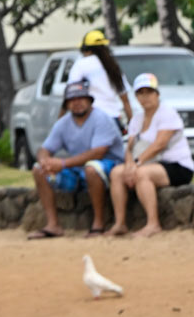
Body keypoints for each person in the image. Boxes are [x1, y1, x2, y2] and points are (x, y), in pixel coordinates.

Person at [29, 83, 123, 238]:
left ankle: (98, 224)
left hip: (108, 168)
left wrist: (63, 163)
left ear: (90, 101)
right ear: (66, 104)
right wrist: (45, 161)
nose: (77, 102)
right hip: (78, 171)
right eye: (72, 99)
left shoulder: (101, 118)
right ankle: (53, 225)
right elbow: (44, 148)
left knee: (92, 168)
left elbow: (98, 153)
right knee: (38, 169)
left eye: (81, 98)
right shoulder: (63, 123)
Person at [109, 72, 194, 237]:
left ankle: (153, 223)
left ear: (157, 94)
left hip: (176, 165)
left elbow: (159, 144)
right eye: (140, 93)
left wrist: (136, 164)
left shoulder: (167, 113)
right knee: (117, 173)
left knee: (142, 174)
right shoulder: (137, 119)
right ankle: (120, 223)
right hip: (148, 163)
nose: (145, 97)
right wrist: (128, 166)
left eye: (149, 92)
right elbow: (130, 147)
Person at [66, 29, 135, 130]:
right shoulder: (113, 66)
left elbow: (72, 92)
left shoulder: (81, 64)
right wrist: (132, 123)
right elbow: (125, 99)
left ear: (86, 49)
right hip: (113, 119)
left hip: (89, 119)